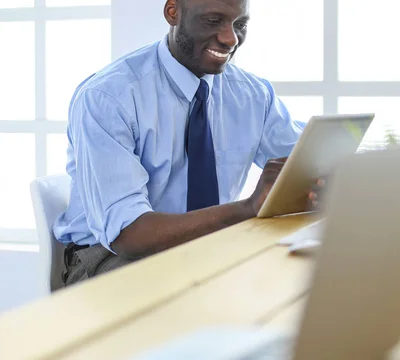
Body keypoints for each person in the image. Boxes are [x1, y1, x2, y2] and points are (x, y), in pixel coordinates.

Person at [53, 0, 321, 286]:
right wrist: (248, 207)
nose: (230, 38)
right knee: (216, 297)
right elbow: (129, 236)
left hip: (208, 245)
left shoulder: (253, 94)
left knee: (296, 277)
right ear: (173, 12)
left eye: (240, 24)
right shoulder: (109, 97)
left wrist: (319, 181)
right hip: (108, 258)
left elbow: (305, 165)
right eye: (213, 20)